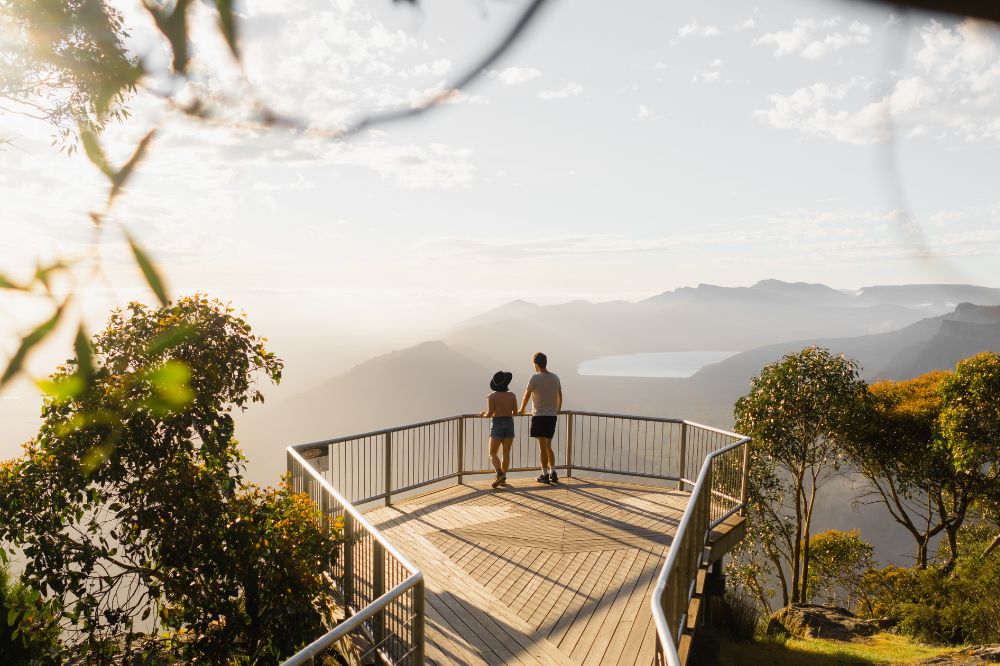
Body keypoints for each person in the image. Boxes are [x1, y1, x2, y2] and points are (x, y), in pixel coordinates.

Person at [519, 352, 562, 484]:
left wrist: (521, 409)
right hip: (552, 416)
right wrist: (557, 410)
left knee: (542, 447)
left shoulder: (535, 378)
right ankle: (553, 472)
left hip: (539, 416)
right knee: (549, 446)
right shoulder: (555, 377)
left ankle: (545, 475)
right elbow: (560, 394)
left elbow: (527, 394)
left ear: (535, 364)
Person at [481, 370, 517, 489]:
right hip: (509, 423)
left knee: (492, 453)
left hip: (497, 424)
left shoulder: (492, 396)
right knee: (505, 453)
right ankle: (503, 480)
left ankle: (499, 473)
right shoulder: (512, 395)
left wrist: (483, 414)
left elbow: (490, 413)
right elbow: (515, 412)